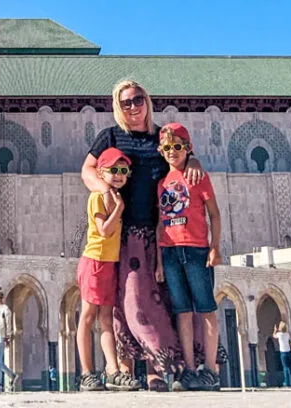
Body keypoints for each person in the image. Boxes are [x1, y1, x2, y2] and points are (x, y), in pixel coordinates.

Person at [82, 80, 204, 392]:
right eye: (126, 102)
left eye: (138, 99)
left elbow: (183, 156)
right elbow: (88, 170)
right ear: (117, 106)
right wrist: (106, 189)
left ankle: (155, 371)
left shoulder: (161, 137)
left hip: (160, 231)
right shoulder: (110, 136)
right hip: (123, 234)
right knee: (128, 301)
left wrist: (194, 161)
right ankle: (124, 370)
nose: (133, 106)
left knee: (158, 300)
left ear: (147, 101)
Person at [154, 123, 221, 392]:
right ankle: (190, 370)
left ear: (187, 148)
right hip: (170, 252)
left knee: (205, 308)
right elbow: (161, 223)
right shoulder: (161, 184)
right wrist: (159, 260)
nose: (172, 152)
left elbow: (214, 213)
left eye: (177, 146)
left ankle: (211, 370)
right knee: (182, 311)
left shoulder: (199, 177)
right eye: (167, 147)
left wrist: (215, 246)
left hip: (196, 251)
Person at [76, 146, 140, 392]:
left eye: (123, 171)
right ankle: (86, 372)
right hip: (94, 262)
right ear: (100, 173)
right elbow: (104, 230)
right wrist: (119, 209)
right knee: (88, 316)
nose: (119, 175)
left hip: (109, 263)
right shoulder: (99, 196)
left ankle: (112, 370)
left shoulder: (112, 196)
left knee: (105, 318)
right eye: (113, 170)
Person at [0, 288, 19, 392]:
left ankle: (10, 376)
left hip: (1, 337)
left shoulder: (5, 310)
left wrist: (8, 338)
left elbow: (8, 325)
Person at [273, 322, 291, 388]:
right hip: (289, 352)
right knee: (290, 367)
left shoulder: (279, 334)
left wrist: (275, 330)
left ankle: (287, 382)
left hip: (283, 352)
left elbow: (274, 335)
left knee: (285, 368)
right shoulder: (287, 334)